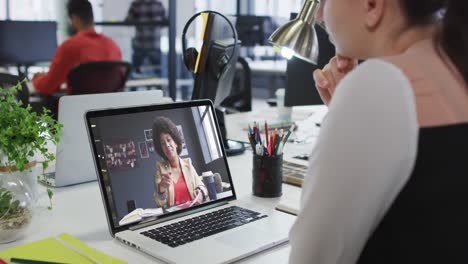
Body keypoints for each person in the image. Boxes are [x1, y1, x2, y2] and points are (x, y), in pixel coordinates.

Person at [289, 0, 468, 263]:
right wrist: (346, 113)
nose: (318, 14)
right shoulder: (454, 67)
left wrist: (352, 106)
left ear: (372, 5)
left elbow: (313, 256)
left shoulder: (380, 84)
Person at [32, 0, 122, 95]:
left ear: (74, 18)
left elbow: (48, 86)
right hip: (107, 107)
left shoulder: (70, 46)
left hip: (77, 108)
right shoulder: (113, 45)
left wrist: (37, 78)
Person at [152, 116, 207, 208]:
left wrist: (200, 193)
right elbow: (159, 203)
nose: (167, 145)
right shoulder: (160, 168)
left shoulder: (188, 164)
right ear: (161, 149)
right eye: (162, 143)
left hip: (194, 211)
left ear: (176, 142)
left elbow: (202, 186)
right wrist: (161, 189)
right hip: (176, 217)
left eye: (169, 140)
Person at [125, 0, 166, 76]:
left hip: (140, 44)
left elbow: (128, 22)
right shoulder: (158, 4)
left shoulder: (136, 4)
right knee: (158, 74)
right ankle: (159, 86)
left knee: (135, 73)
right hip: (154, 44)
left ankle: (134, 87)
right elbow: (165, 22)